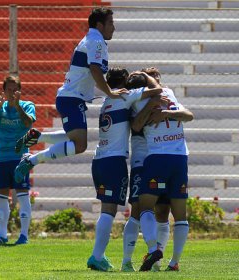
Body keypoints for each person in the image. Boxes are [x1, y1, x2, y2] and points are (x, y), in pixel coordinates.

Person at [13, 7, 127, 183]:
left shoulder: (92, 39)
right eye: (111, 22)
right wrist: (109, 93)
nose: (114, 27)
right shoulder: (95, 41)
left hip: (72, 98)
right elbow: (95, 70)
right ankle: (31, 159)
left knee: (75, 138)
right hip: (71, 99)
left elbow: (91, 73)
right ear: (100, 24)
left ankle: (37, 137)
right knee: (80, 145)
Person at [87, 67, 162, 272]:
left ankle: (99, 256)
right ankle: (96, 256)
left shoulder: (106, 102)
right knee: (109, 211)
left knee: (107, 208)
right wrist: (146, 77)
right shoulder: (125, 97)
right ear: (123, 83)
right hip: (114, 161)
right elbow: (157, 91)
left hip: (99, 159)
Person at [127, 70, 194, 271]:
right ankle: (174, 263)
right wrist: (168, 112)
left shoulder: (138, 102)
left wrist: (160, 112)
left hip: (157, 157)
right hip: (180, 158)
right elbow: (189, 115)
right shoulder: (169, 94)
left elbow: (137, 125)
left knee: (146, 206)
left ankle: (153, 248)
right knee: (180, 214)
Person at [121, 78, 171, 273]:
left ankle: (156, 263)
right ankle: (127, 262)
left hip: (162, 160)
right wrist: (152, 105)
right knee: (137, 211)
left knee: (162, 212)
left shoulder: (166, 99)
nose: (156, 85)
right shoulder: (135, 103)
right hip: (142, 163)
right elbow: (136, 126)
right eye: (152, 81)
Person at [0, 75, 36, 245]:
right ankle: (2, 235)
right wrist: (0, 106)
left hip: (20, 158)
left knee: (22, 195)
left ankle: (23, 236)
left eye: (15, 90)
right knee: (1, 195)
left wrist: (18, 107)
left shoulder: (28, 105)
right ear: (4, 91)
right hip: (1, 158)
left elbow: (28, 123)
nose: (12, 93)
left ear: (19, 91)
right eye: (9, 90)